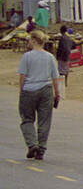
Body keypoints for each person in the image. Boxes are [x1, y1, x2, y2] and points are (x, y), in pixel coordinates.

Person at [18, 30, 61, 160]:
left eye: (30, 40)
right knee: (44, 120)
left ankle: (32, 145)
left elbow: (22, 76)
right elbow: (55, 77)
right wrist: (57, 93)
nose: (29, 42)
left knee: (27, 119)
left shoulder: (27, 56)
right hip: (46, 89)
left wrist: (21, 91)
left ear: (34, 40)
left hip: (29, 90)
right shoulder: (50, 57)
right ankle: (41, 149)